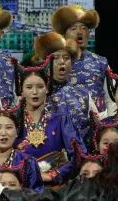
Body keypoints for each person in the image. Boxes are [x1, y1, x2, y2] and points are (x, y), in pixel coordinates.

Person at [14, 58, 79, 187]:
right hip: (22, 186)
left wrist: (54, 174)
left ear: (47, 88)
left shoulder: (61, 120)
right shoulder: (13, 122)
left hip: (54, 187)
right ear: (21, 90)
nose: (35, 92)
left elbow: (78, 155)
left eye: (40, 87)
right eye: (29, 87)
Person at [51, 4, 108, 99]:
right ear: (64, 34)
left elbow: (110, 100)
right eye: (73, 28)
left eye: (84, 28)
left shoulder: (101, 62)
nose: (79, 32)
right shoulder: (52, 62)